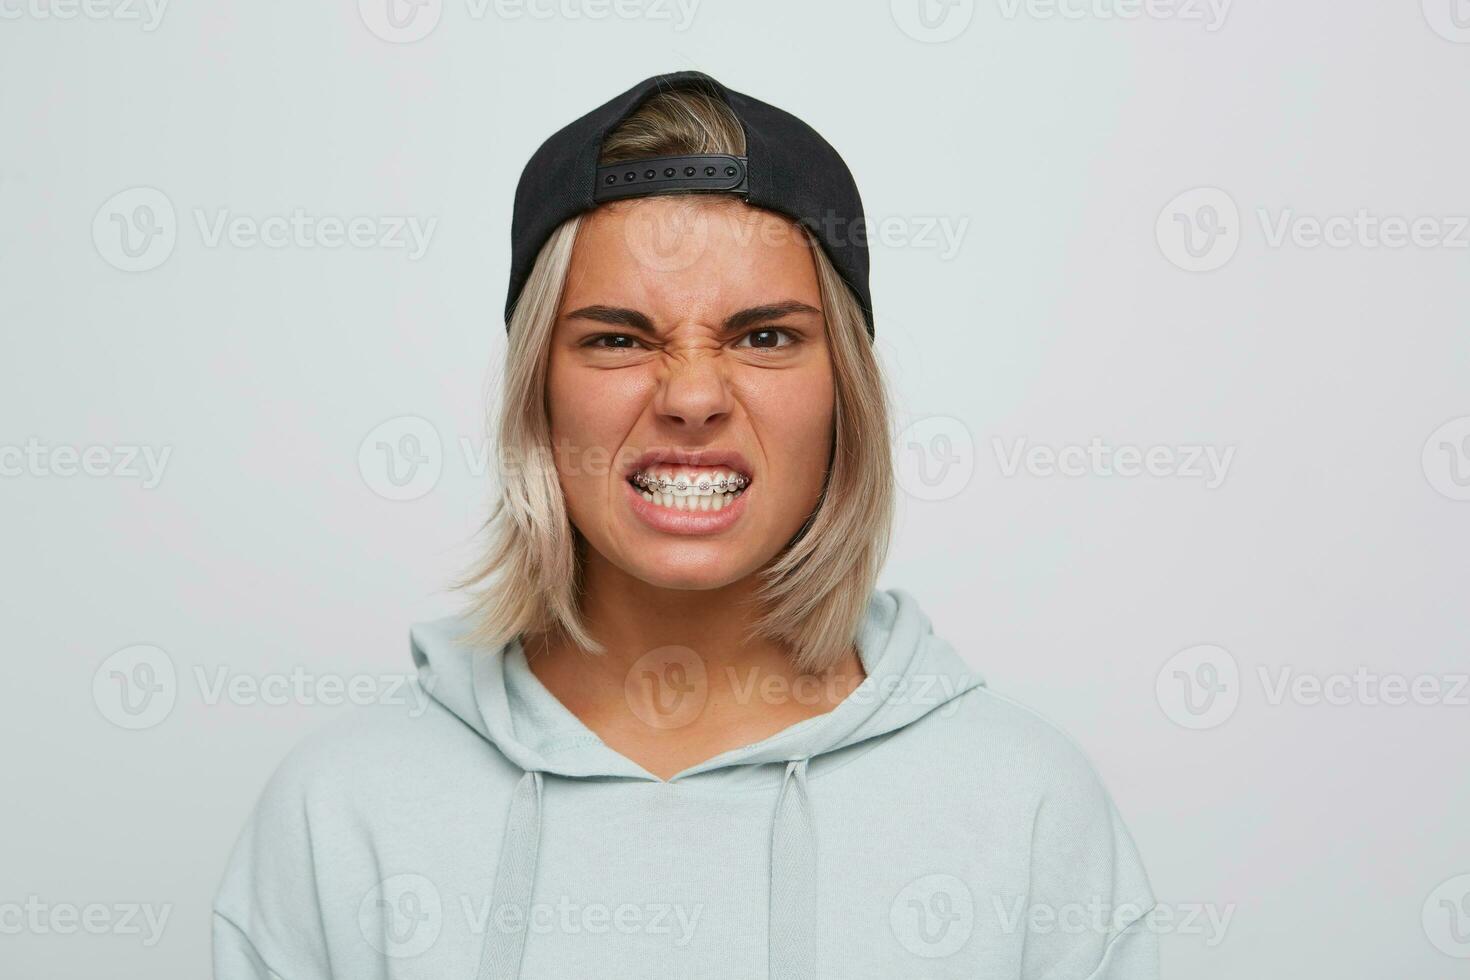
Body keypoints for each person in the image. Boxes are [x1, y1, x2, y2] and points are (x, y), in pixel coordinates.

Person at [212, 69, 1160, 979]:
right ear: (538, 391)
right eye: (619, 338)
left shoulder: (1026, 810)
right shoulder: (340, 814)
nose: (694, 395)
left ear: (846, 396)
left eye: (765, 337)